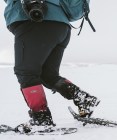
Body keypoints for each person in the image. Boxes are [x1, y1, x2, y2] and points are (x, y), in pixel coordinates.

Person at [3, 0, 100, 132]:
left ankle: (41, 119)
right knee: (48, 75)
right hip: (61, 27)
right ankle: (83, 99)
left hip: (36, 22)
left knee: (26, 73)